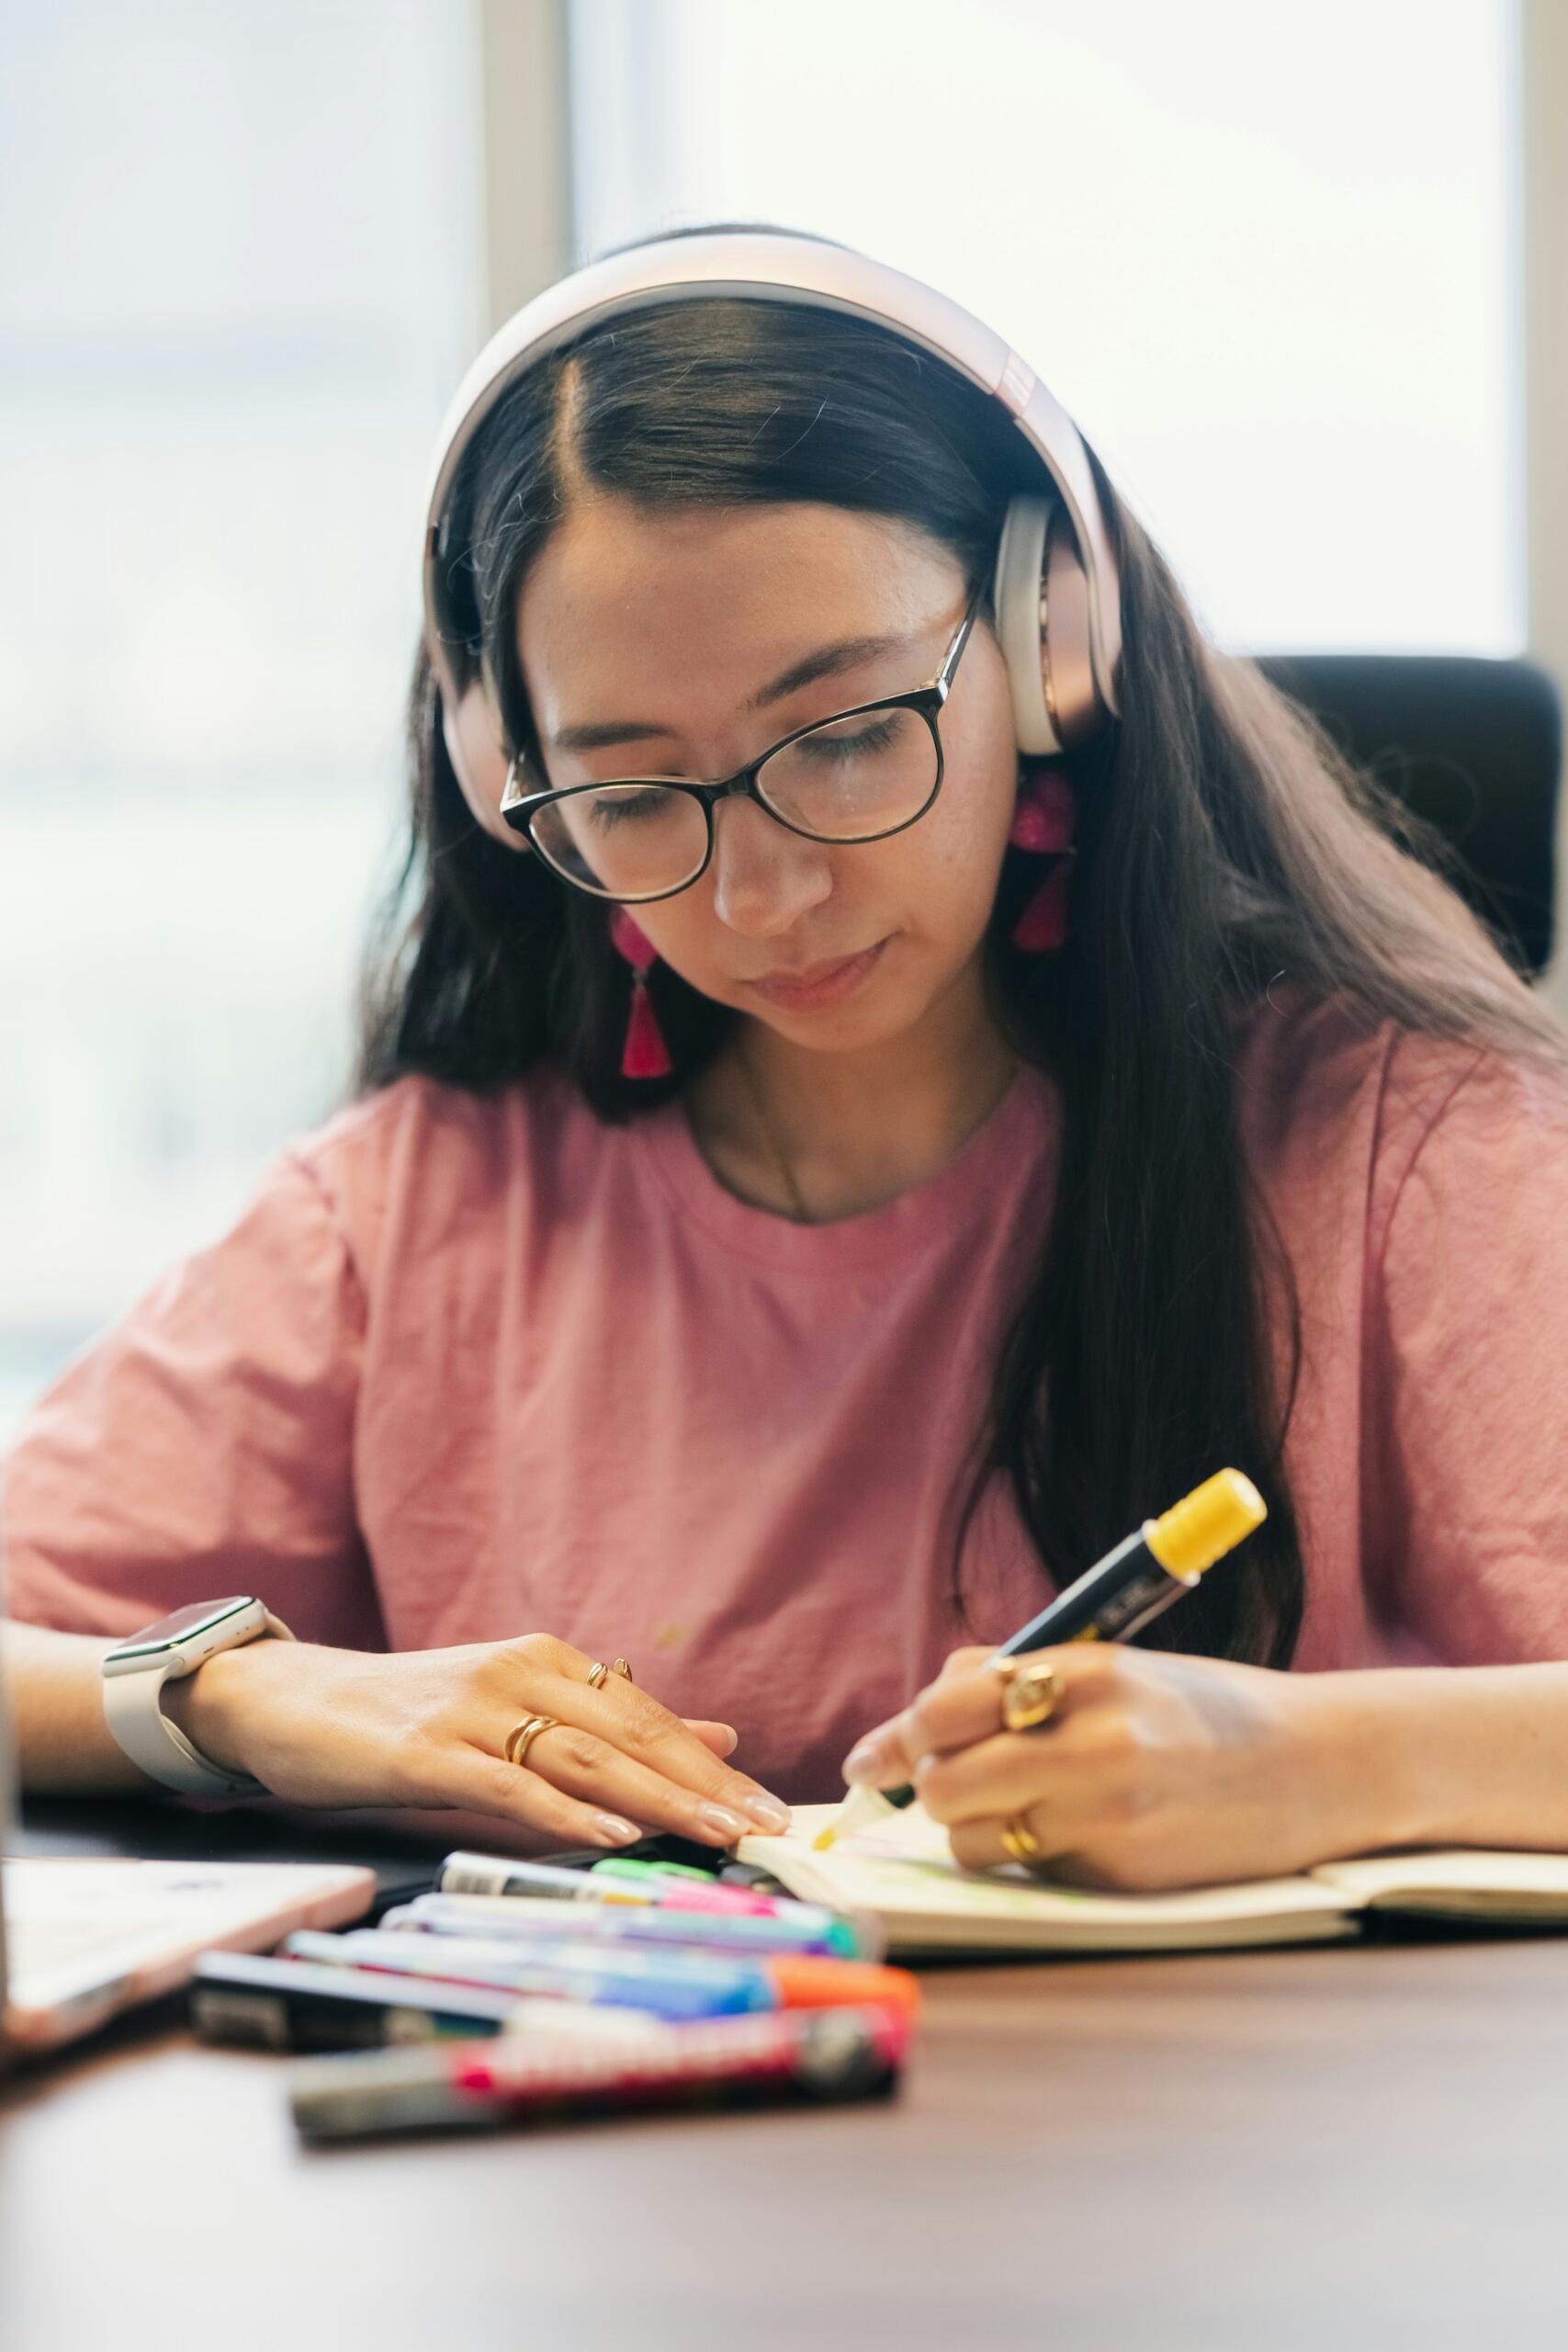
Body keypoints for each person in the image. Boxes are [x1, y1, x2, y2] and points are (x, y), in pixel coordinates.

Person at [6, 218, 1568, 1892]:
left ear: (1051, 647)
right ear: (505, 776)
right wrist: (252, 1694)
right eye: (627, 793)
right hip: (615, 2063)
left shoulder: (1402, 1149)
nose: (763, 896)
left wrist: (1319, 1761)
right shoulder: (416, 1217)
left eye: (844, 737)